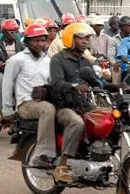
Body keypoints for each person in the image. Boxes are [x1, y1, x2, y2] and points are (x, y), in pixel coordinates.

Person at [2, 24, 57, 171]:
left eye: (42, 41)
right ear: (27, 41)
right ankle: (42, 154)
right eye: (36, 41)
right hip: (26, 104)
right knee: (48, 109)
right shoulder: (16, 60)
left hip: (44, 101)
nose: (40, 44)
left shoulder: (49, 61)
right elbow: (7, 85)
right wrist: (7, 111)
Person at [50, 23, 95, 183]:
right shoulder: (57, 60)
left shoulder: (85, 61)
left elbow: (96, 81)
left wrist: (117, 86)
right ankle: (62, 165)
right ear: (71, 38)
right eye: (81, 38)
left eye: (87, 38)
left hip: (82, 104)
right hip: (63, 106)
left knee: (108, 116)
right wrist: (73, 87)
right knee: (77, 123)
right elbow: (56, 83)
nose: (85, 41)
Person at [0, 19, 25, 119]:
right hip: (1, 72)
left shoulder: (21, 46)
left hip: (16, 74)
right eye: (11, 32)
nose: (14, 34)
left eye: (16, 31)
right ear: (4, 32)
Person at [107, 16, 130, 84]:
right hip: (119, 64)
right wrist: (114, 63)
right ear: (122, 27)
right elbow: (111, 56)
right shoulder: (113, 39)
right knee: (116, 70)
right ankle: (117, 90)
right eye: (129, 26)